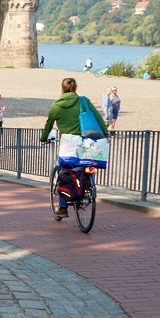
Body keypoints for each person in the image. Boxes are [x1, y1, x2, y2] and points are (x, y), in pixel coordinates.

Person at [41, 78, 109, 219]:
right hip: (86, 142)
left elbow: (48, 125)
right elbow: (97, 117)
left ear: (62, 89)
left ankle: (63, 207)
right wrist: (106, 134)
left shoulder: (56, 106)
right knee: (86, 165)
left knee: (64, 173)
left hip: (68, 145)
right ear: (75, 88)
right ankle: (86, 188)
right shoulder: (83, 101)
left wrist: (44, 138)